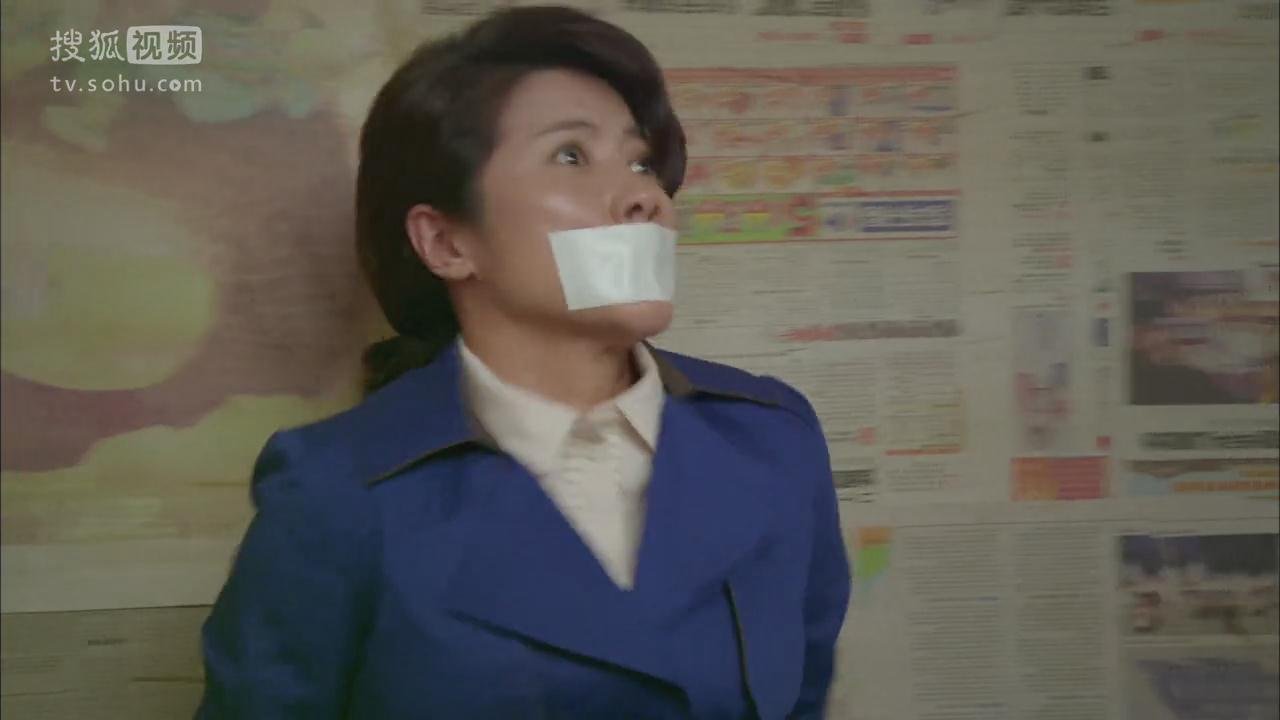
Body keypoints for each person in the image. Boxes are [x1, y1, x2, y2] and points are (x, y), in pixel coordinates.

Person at [196, 6, 851, 718]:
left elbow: (804, 694)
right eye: (571, 156)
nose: (646, 196)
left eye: (640, 162)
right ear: (447, 243)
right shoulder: (337, 494)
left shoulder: (772, 441)